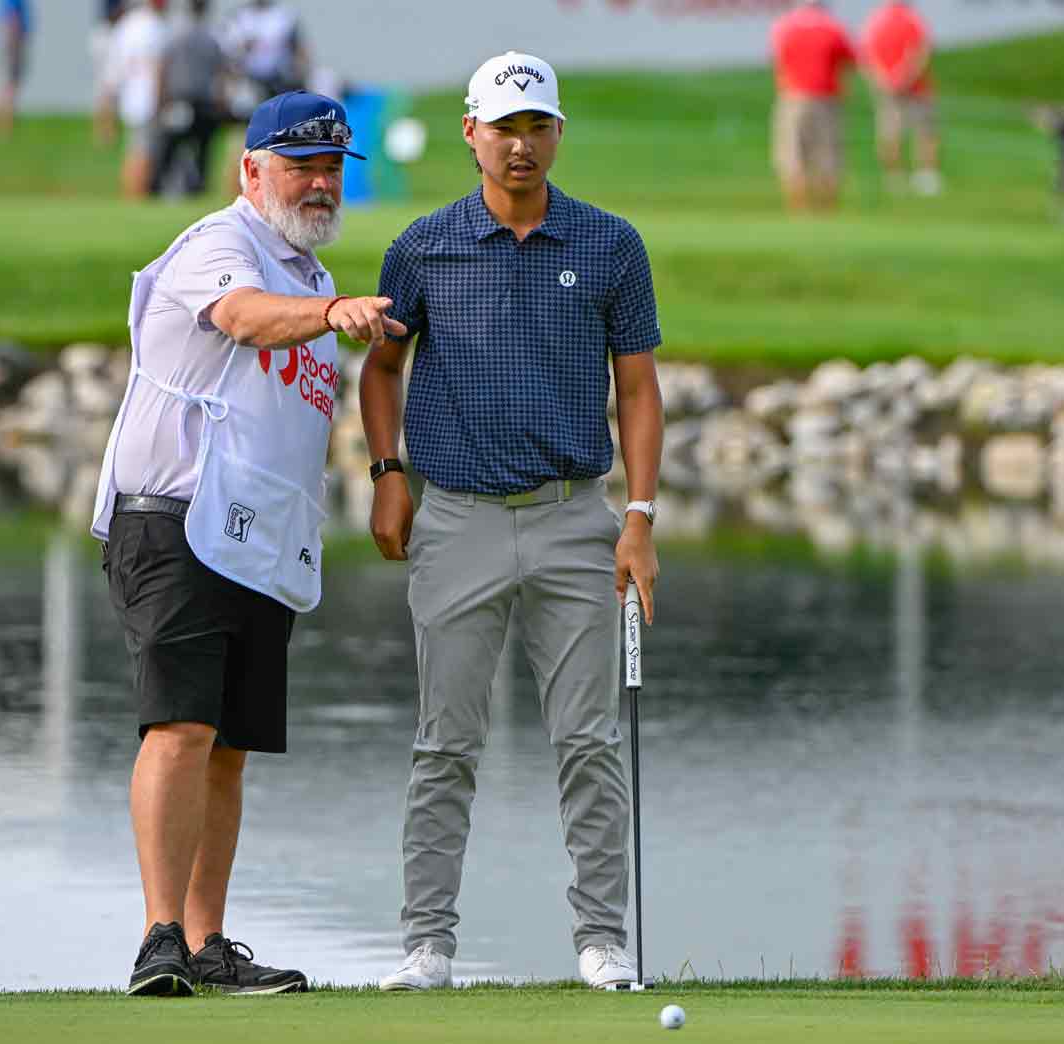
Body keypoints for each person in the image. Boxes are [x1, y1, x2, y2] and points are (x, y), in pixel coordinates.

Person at [362, 50, 665, 992]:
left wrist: (641, 517)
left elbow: (639, 387)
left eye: (537, 127)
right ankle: (427, 947)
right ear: (471, 132)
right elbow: (381, 367)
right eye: (504, 127)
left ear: (558, 133)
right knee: (445, 743)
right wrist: (386, 473)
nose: (520, 145)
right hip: (455, 521)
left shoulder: (610, 245)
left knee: (588, 742)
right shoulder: (423, 246)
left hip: (577, 520)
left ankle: (603, 943)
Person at [89, 90, 402, 996]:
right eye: (299, 165)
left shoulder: (308, 277)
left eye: (331, 167)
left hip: (257, 538)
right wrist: (336, 310)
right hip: (174, 517)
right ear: (251, 169)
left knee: (228, 744)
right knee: (181, 726)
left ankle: (206, 942)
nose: (318, 183)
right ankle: (158, 939)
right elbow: (240, 319)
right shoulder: (220, 246)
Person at [769, 0, 858, 212]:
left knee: (793, 154)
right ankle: (827, 209)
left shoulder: (784, 26)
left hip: (793, 96)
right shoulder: (833, 26)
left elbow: (779, 60)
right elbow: (850, 59)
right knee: (828, 154)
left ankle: (798, 208)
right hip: (826, 98)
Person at [860, 0, 941, 196]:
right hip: (917, 88)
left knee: (890, 133)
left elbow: (866, 57)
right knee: (924, 133)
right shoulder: (912, 18)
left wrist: (882, 80)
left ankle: (895, 179)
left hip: (889, 88)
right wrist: (905, 77)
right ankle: (925, 178)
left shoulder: (874, 21)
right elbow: (922, 51)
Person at [152, 0, 228, 196]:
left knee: (170, 148)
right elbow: (220, 75)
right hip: (203, 103)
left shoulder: (174, 35)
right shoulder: (212, 38)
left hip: (178, 100)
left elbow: (162, 70)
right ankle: (197, 188)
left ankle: (159, 188)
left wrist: (159, 102)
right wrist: (221, 103)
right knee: (201, 151)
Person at [106, 0, 172, 198]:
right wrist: (161, 100)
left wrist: (109, 102)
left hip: (129, 96)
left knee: (134, 149)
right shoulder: (156, 27)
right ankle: (138, 195)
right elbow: (158, 68)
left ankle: (130, 194)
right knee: (144, 152)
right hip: (147, 98)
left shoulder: (127, 25)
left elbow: (114, 67)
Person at [225, 0, 306, 102]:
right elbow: (230, 53)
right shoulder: (240, 17)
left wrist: (300, 73)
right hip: (248, 80)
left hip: (280, 80)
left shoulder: (285, 16)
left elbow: (299, 49)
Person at [0, 0, 32, 141]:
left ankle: (5, 128)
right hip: (13, 38)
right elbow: (11, 15)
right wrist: (14, 39)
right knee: (9, 84)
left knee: (8, 84)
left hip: (11, 37)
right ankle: (4, 129)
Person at [92, 0, 129, 146]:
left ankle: (106, 132)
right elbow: (112, 13)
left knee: (107, 89)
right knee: (107, 89)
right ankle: (106, 133)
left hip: (107, 33)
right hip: (108, 33)